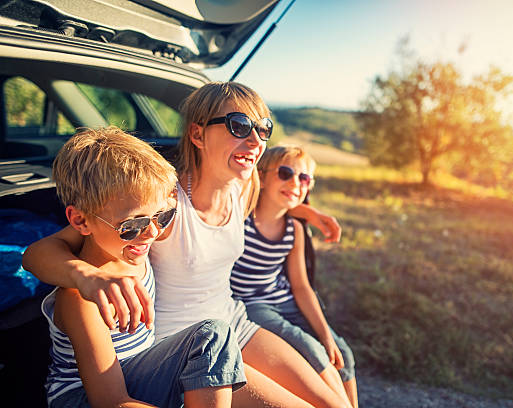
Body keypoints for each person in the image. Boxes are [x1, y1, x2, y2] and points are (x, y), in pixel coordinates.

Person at [23, 82, 348, 408]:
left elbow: (280, 197)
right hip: (183, 343)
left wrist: (310, 213)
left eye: (264, 129)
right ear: (197, 134)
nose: (255, 140)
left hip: (231, 321)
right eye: (240, 125)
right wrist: (83, 276)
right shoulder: (162, 204)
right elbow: (40, 253)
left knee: (333, 403)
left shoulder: (244, 186)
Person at [43, 127, 244, 408]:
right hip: (83, 398)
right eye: (132, 225)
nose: (151, 232)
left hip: (138, 372)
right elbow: (111, 401)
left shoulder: (134, 244)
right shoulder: (81, 298)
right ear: (80, 221)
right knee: (211, 337)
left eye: (163, 216)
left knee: (212, 338)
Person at [230, 145, 358, 407]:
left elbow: (301, 287)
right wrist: (312, 213)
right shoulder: (241, 217)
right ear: (262, 177)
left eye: (304, 178)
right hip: (251, 305)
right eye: (286, 173)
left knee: (340, 350)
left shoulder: (294, 231)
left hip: (285, 299)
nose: (295, 183)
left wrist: (326, 335)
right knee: (309, 348)